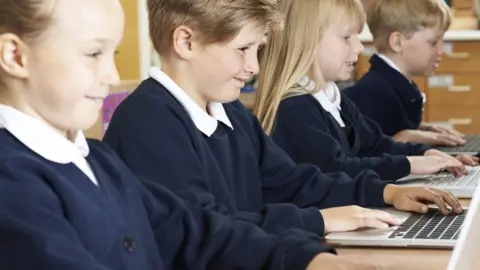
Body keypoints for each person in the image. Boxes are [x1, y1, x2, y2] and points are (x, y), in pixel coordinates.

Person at [0, 0, 376, 269]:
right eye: (93, 54)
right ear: (15, 56)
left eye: (113, 54)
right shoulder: (12, 186)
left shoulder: (96, 160)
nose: (112, 76)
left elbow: (193, 229)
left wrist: (305, 258)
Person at [103, 0, 463, 241]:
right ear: (186, 42)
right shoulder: (148, 123)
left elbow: (293, 183)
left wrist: (384, 191)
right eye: (243, 50)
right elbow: (204, 233)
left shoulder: (232, 114)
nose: (254, 67)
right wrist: (318, 222)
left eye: (257, 50)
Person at [253, 0, 478, 181]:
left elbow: (376, 144)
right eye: (347, 37)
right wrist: (408, 165)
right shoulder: (295, 107)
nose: (360, 47)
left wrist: (425, 154)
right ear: (306, 40)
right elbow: (336, 170)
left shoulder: (332, 97)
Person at [344, 0, 466, 147]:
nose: (441, 51)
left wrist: (420, 129)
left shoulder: (395, 86)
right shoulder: (370, 95)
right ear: (397, 42)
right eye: (433, 42)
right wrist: (402, 138)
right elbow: (359, 154)